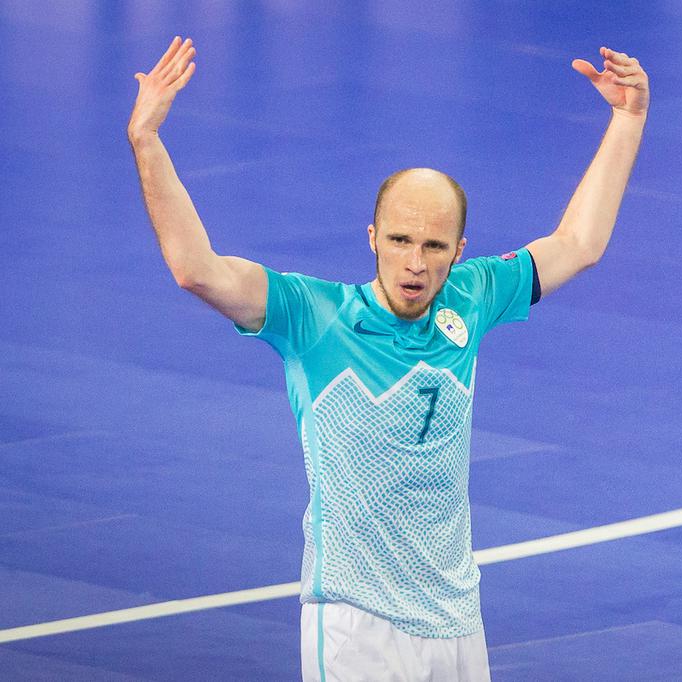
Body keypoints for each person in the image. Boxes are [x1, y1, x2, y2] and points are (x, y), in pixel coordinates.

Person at [128, 35, 649, 682]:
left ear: (460, 250)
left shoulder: (476, 295)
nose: (414, 261)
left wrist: (627, 121)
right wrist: (147, 140)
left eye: (434, 245)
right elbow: (196, 270)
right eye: (399, 240)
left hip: (458, 621)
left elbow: (578, 242)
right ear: (372, 237)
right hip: (355, 624)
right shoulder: (313, 319)